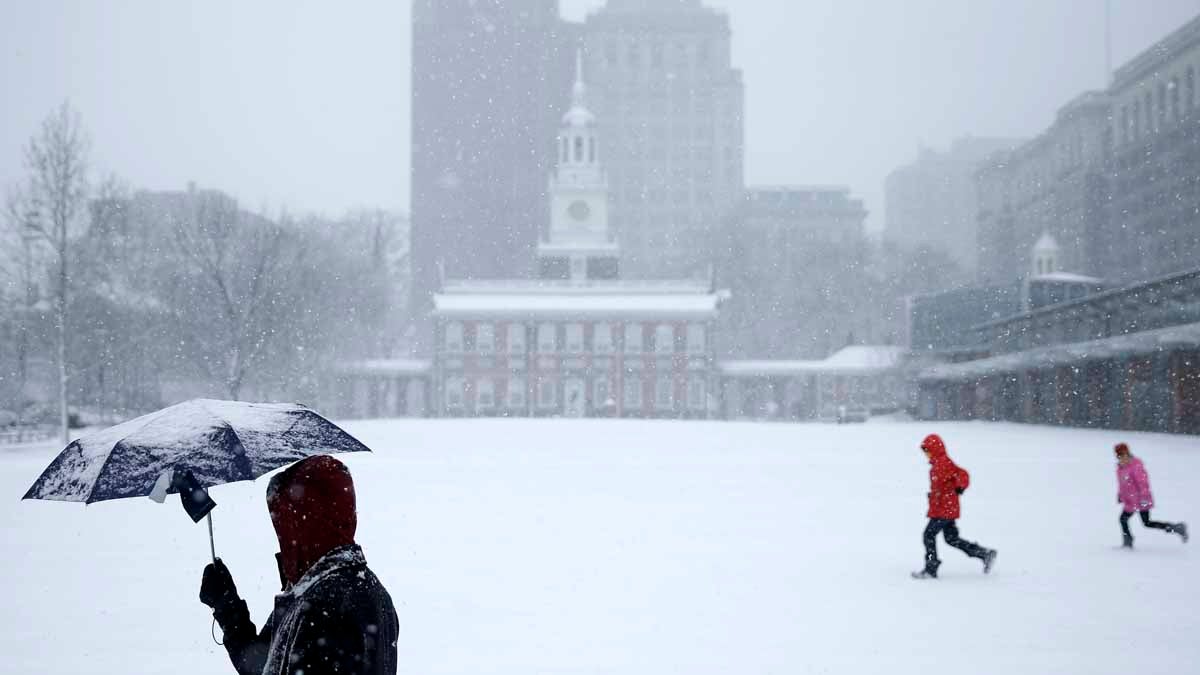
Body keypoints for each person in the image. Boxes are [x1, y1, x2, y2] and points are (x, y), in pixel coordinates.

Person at [199, 454, 399, 675]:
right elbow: (262, 664)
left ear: (307, 524)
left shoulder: (324, 604)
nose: (282, 537)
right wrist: (228, 608)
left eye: (285, 523)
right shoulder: (362, 589)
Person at [912, 434, 997, 579]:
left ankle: (931, 568)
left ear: (935, 449)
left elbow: (962, 474)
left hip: (944, 510)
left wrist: (959, 487)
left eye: (927, 450)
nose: (926, 454)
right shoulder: (937, 464)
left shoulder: (943, 463)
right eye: (925, 451)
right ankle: (984, 554)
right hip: (944, 509)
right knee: (951, 539)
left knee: (928, 535)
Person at [1115, 442, 1188, 549]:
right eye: (1120, 455)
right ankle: (1176, 528)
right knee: (1139, 522)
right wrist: (1120, 495)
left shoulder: (1135, 466)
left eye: (1124, 454)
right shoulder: (1121, 468)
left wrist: (1144, 498)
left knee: (1135, 521)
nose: (1122, 457)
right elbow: (1123, 485)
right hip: (1130, 500)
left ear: (1128, 453)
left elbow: (1143, 483)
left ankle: (1128, 540)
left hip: (1139, 500)